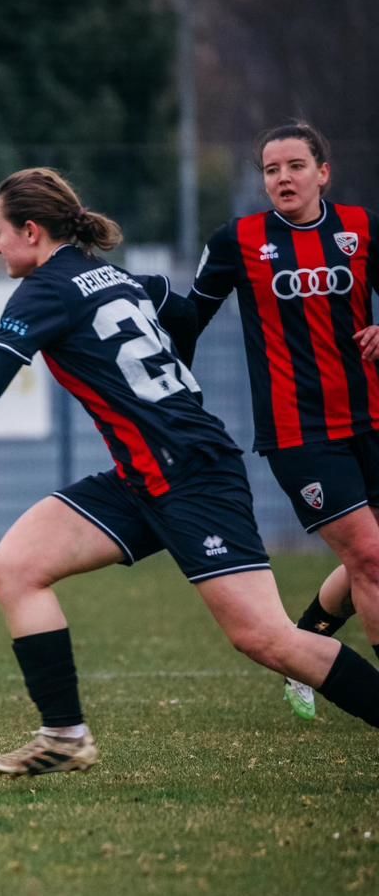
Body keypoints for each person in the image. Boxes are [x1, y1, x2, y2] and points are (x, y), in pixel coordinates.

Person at [0, 167, 379, 776]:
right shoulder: (122, 279)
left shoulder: (45, 290)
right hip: (144, 476)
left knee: (265, 639)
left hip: (192, 475)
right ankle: (65, 737)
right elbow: (184, 314)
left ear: (31, 231)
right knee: (16, 567)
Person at [159, 121, 377, 721]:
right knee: (371, 556)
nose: (282, 177)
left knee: (370, 558)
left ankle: (308, 640)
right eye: (271, 169)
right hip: (298, 433)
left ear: (323, 173)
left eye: (295, 166)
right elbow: (189, 321)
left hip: (371, 419)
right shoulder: (238, 240)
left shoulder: (361, 230)